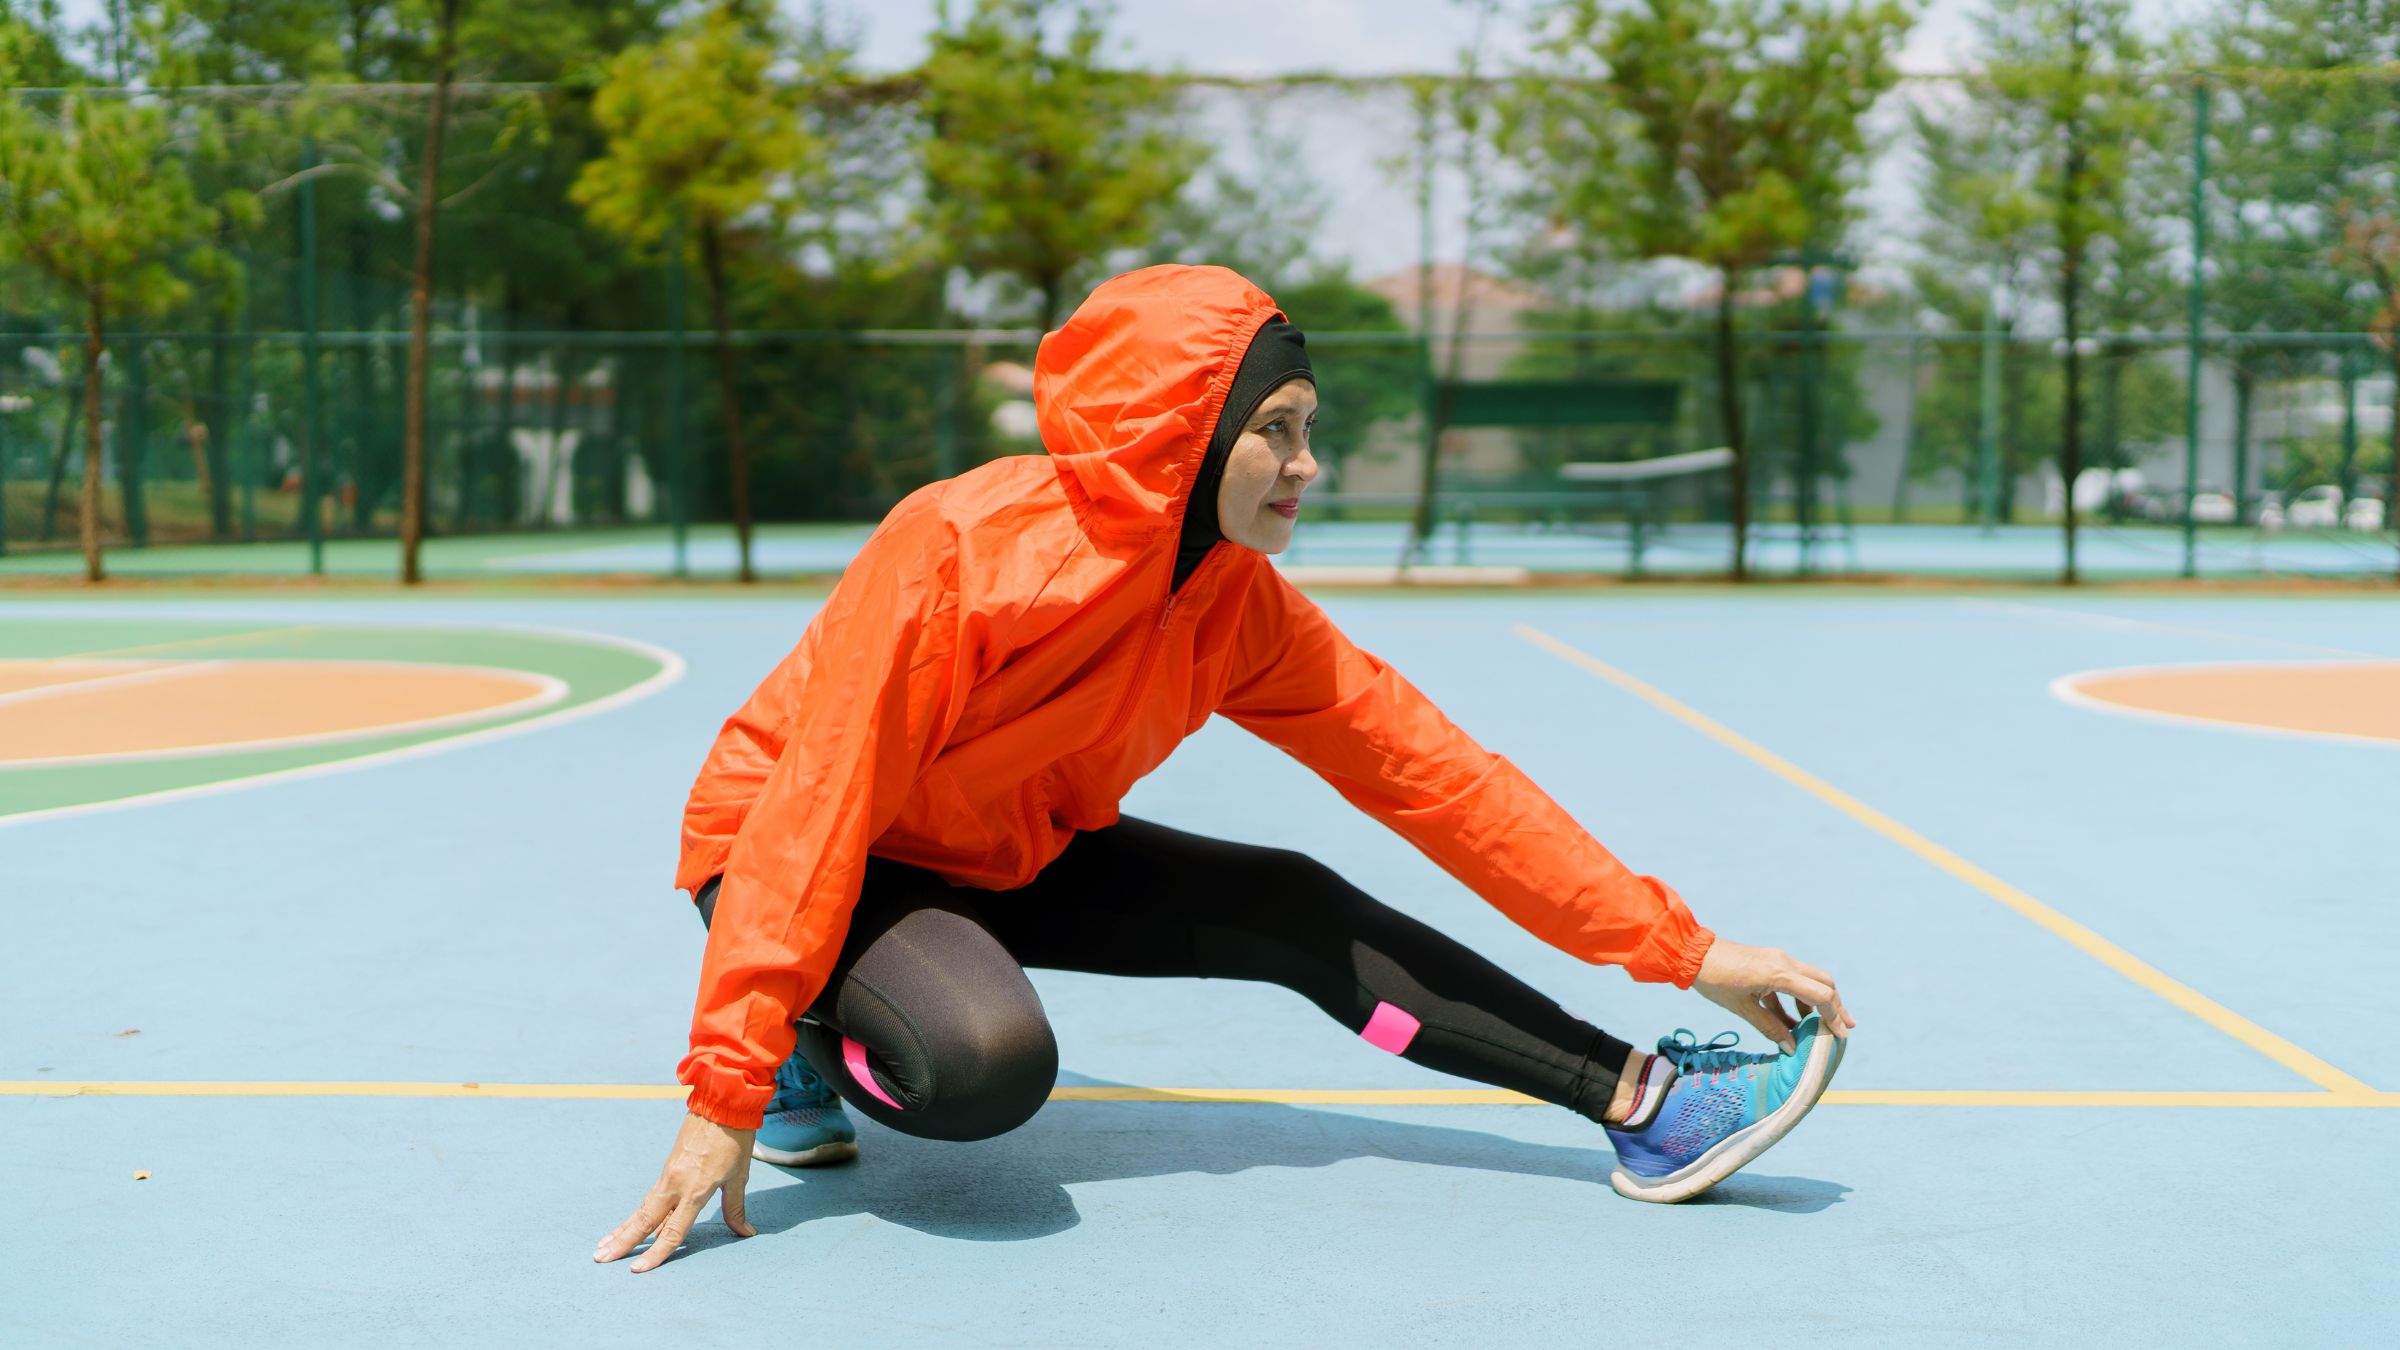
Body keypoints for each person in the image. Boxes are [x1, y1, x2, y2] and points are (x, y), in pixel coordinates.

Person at [595, 265, 1855, 1273]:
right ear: (1178, 438)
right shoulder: (957, 547)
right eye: (1276, 430)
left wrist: (1680, 949)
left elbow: (1441, 781)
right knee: (985, 1067)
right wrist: (725, 1085)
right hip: (807, 846)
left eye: (1310, 428)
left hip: (1003, 847)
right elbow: (820, 804)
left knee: (1290, 900)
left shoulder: (1235, 603)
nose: (1309, 464)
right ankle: (810, 1038)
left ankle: (1644, 1107)